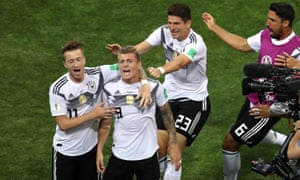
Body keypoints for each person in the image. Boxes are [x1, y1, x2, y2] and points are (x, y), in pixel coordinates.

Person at [106, 3, 210, 179]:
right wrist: (123, 53)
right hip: (169, 97)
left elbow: (181, 62)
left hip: (193, 101)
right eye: (170, 23)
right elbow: (140, 49)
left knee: (174, 148)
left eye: (176, 24)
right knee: (158, 147)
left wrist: (161, 70)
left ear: (188, 23)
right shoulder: (163, 32)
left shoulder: (196, 43)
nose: (172, 28)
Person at [202, 2, 300, 180]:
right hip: (253, 97)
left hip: (268, 108)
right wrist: (214, 27)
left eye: (272, 20)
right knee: (244, 132)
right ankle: (284, 140)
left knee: (230, 142)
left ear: (285, 23)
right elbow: (242, 44)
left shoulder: (296, 48)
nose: (267, 23)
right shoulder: (265, 35)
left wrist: (298, 65)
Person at [49, 41, 151, 180]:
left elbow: (131, 66)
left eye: (78, 59)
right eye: (71, 61)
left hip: (91, 151)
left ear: (84, 59)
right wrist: (94, 114)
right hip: (65, 152)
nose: (76, 64)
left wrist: (145, 85)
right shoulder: (58, 88)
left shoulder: (99, 74)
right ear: (65, 64)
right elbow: (63, 124)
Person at [96, 46, 181, 180]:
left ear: (138, 64)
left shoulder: (154, 87)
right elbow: (105, 124)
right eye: (122, 61)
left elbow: (167, 115)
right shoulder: (109, 89)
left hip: (148, 157)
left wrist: (174, 144)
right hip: (120, 156)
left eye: (129, 61)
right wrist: (99, 150)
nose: (125, 65)